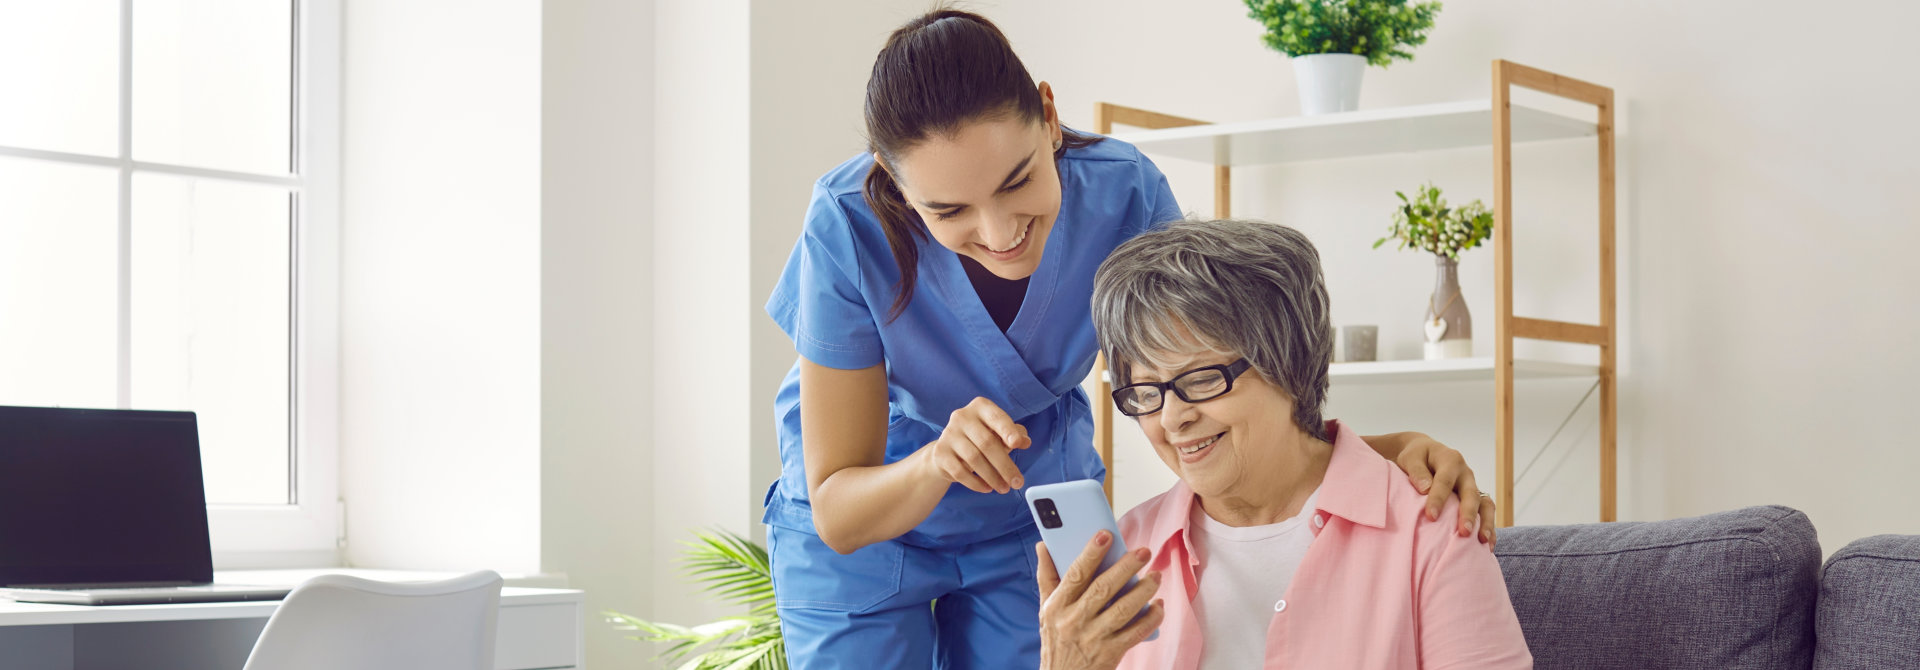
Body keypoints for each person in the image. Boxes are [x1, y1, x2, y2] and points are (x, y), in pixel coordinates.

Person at [764, 9, 1498, 669]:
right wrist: (936, 463)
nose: (999, 233)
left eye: (1019, 181)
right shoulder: (845, 225)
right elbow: (836, 509)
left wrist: (1376, 454)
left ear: (1049, 117)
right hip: (872, 520)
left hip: (1030, 506)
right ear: (894, 186)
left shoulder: (1124, 192)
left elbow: (1223, 374)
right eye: (950, 210)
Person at [1036, 219, 1531, 670]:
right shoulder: (1128, 552)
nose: (1172, 418)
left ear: (1288, 366)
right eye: (1145, 392)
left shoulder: (1430, 532)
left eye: (1203, 379)